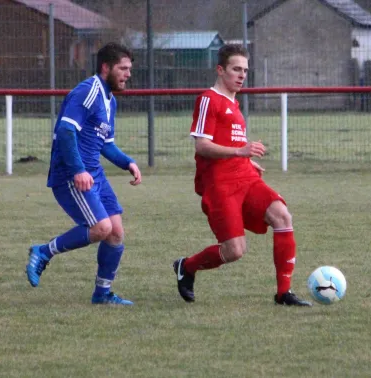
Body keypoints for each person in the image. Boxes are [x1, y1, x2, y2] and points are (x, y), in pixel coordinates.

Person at [173, 44, 312, 307]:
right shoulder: (208, 100)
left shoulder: (234, 105)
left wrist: (247, 162)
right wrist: (240, 152)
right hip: (220, 185)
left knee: (282, 215)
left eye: (245, 71)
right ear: (220, 70)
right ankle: (187, 266)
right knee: (234, 251)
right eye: (236, 69)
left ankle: (284, 293)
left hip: (245, 178)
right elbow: (202, 145)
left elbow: (232, 147)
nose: (242, 75)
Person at [26, 42, 142, 306]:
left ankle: (102, 294)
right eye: (123, 68)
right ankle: (43, 252)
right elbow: (66, 131)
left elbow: (106, 144)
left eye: (129, 69)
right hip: (71, 174)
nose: (128, 74)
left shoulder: (109, 100)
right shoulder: (88, 90)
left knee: (116, 233)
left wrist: (128, 163)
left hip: (94, 174)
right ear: (106, 67)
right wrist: (78, 169)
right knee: (101, 228)